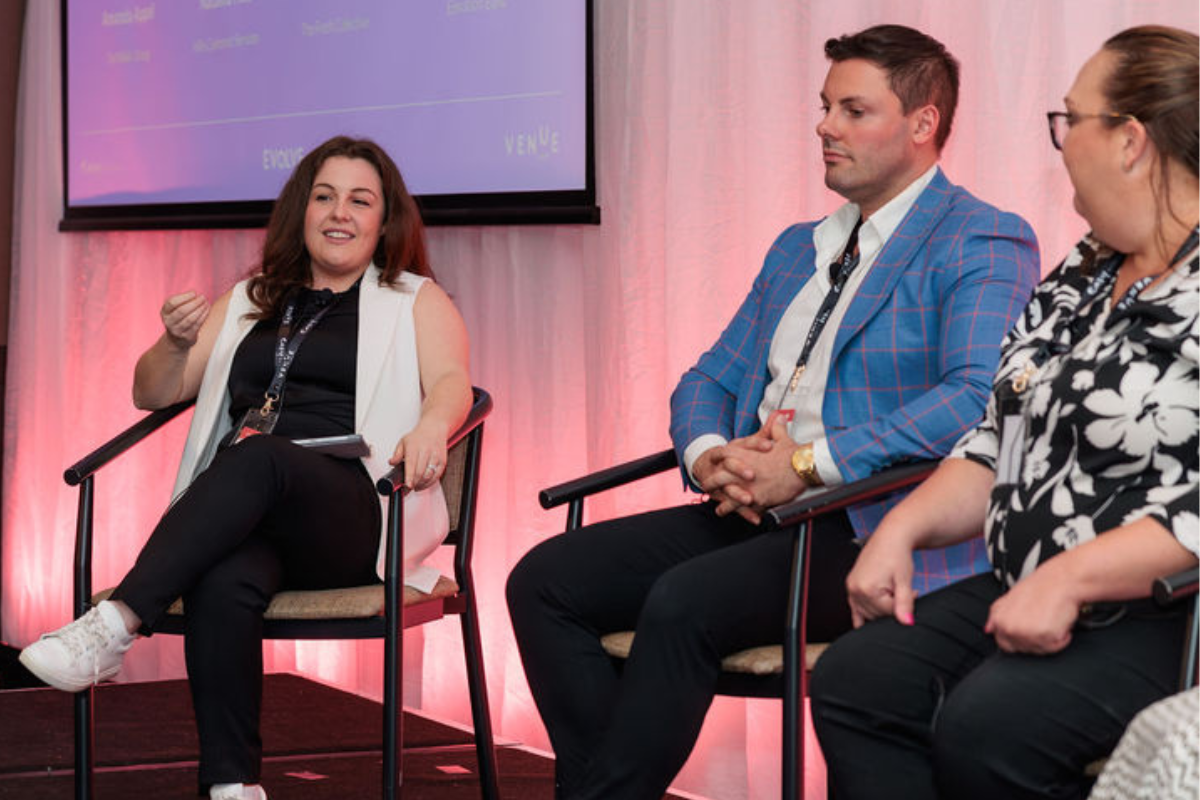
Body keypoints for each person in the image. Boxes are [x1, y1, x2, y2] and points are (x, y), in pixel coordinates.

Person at [507, 24, 1039, 800]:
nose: (825, 127)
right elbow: (708, 376)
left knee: (682, 603)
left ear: (923, 123)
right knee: (543, 580)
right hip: (759, 509)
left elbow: (969, 397)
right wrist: (710, 453)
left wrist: (804, 467)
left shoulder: (981, 238)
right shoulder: (799, 247)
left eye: (853, 110)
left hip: (874, 522)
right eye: (825, 108)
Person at [809, 25, 1199, 800]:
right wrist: (902, 529)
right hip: (1030, 578)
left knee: (990, 725)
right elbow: (996, 436)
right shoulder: (1085, 270)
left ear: (1129, 140)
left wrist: (1074, 580)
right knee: (861, 679)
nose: (1061, 143)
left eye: (1070, 120)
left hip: (1167, 610)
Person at [20, 136, 472, 800]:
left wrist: (434, 424)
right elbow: (152, 391)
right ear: (301, 210)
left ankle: (116, 624)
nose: (339, 212)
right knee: (224, 576)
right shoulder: (253, 299)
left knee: (258, 456)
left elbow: (453, 381)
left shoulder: (412, 297)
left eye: (360, 200)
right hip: (253, 511)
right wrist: (174, 343)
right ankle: (233, 786)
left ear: (384, 221)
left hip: (354, 505)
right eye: (324, 196)